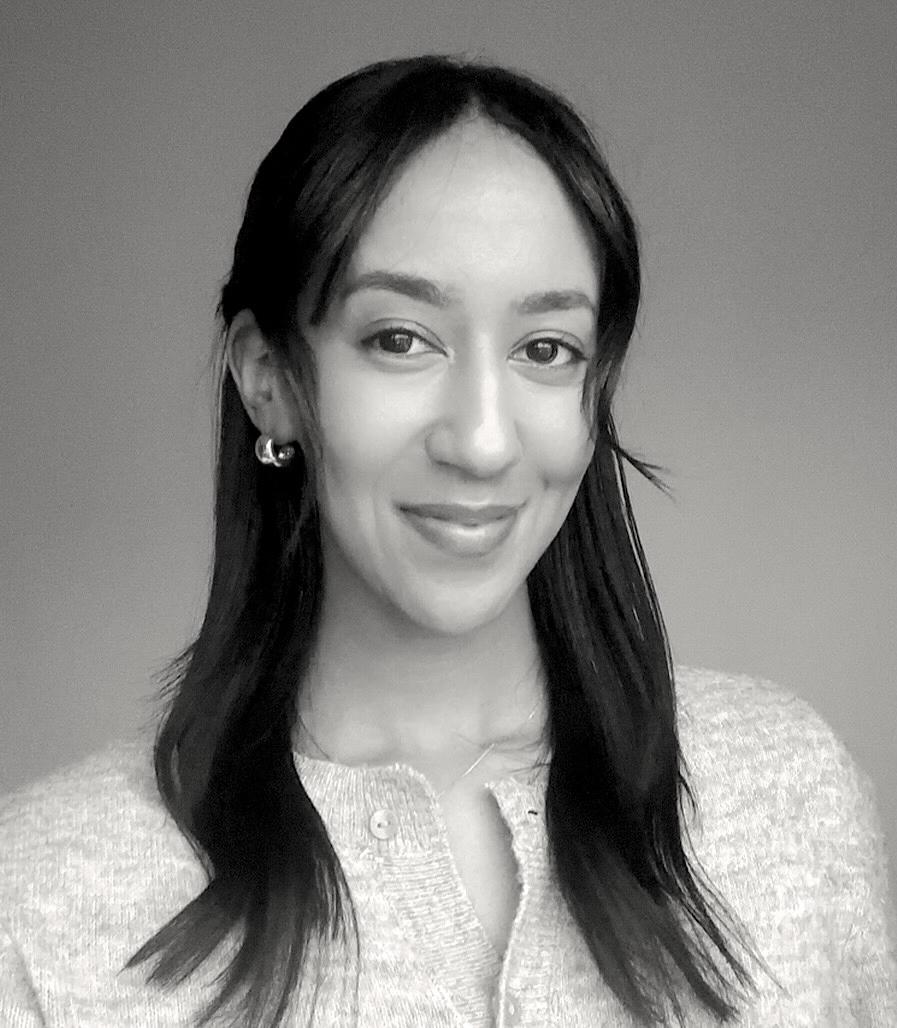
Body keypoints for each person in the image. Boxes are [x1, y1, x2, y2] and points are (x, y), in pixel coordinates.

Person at [1, 53, 895, 1028]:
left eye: (545, 349)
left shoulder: (786, 793)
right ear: (269, 377)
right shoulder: (43, 902)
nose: (481, 438)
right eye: (400, 338)